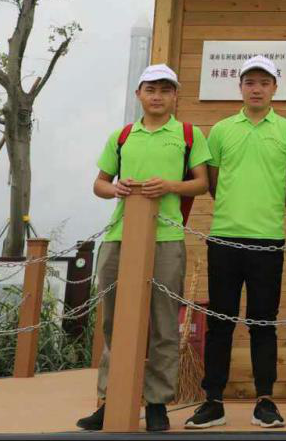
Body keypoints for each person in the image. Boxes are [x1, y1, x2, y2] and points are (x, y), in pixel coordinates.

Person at [77, 64, 210, 433]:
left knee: (164, 323)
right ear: (139, 94)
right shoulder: (122, 136)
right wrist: (115, 189)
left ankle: (157, 403)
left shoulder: (188, 135)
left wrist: (169, 185)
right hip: (119, 236)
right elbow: (100, 183)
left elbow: (201, 184)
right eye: (150, 89)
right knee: (114, 321)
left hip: (167, 238)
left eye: (165, 90)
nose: (157, 96)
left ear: (175, 96)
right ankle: (111, 399)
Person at [185, 56, 286, 430]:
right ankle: (213, 401)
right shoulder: (221, 130)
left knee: (263, 323)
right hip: (224, 237)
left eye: (264, 83)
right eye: (250, 82)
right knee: (220, 323)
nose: (257, 89)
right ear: (240, 87)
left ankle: (265, 401)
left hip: (268, 240)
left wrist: (270, 207)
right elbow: (213, 181)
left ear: (275, 88)